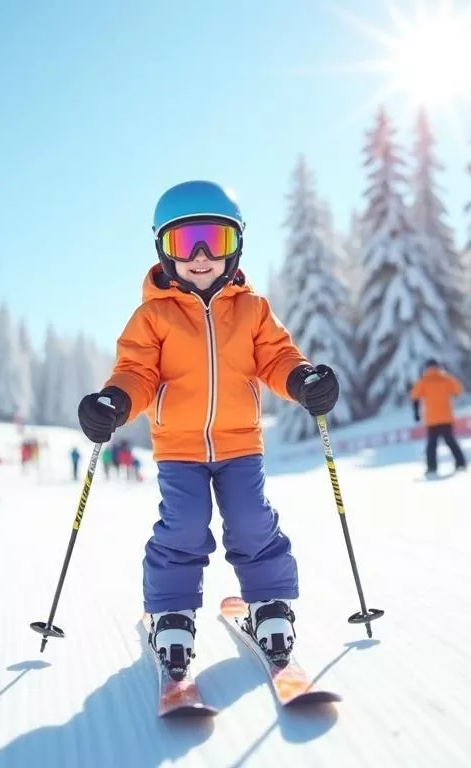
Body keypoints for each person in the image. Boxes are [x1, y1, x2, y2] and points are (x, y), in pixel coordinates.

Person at [76, 180, 339, 678]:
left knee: (251, 520)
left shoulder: (252, 309)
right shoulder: (152, 316)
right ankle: (172, 612)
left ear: (234, 246)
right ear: (163, 250)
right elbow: (137, 372)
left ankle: (269, 604)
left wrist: (303, 380)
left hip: (241, 443)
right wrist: (114, 402)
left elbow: (277, 357)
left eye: (213, 242)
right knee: (184, 525)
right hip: (179, 448)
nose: (200, 256)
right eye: (184, 243)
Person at [409, 359, 468, 477]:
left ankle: (431, 468)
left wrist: (416, 413)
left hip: (432, 419)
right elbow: (458, 390)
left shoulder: (423, 381)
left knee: (432, 445)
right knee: (451, 441)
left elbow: (414, 396)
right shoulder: (446, 379)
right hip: (446, 417)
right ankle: (461, 463)